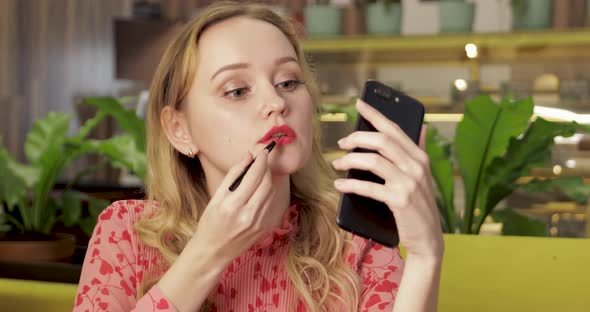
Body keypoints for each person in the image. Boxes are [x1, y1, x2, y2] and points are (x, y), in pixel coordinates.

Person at [73, 2, 443, 311]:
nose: (276, 103)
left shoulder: (357, 242)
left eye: (288, 82)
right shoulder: (128, 233)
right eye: (236, 90)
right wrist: (208, 253)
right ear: (178, 129)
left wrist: (426, 255)